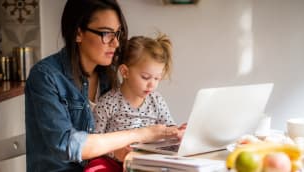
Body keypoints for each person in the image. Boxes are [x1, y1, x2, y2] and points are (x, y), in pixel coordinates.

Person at [25, 0, 180, 171]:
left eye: (117, 33)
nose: (116, 43)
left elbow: (110, 139)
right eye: (106, 33)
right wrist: (141, 133)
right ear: (78, 33)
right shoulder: (45, 76)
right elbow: (67, 145)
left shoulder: (109, 75)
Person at [89, 33, 186, 166]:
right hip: (115, 163)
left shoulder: (156, 100)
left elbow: (168, 128)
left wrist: (178, 131)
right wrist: (115, 152)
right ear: (125, 72)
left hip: (148, 162)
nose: (152, 84)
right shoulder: (108, 103)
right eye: (146, 77)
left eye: (157, 78)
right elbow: (94, 143)